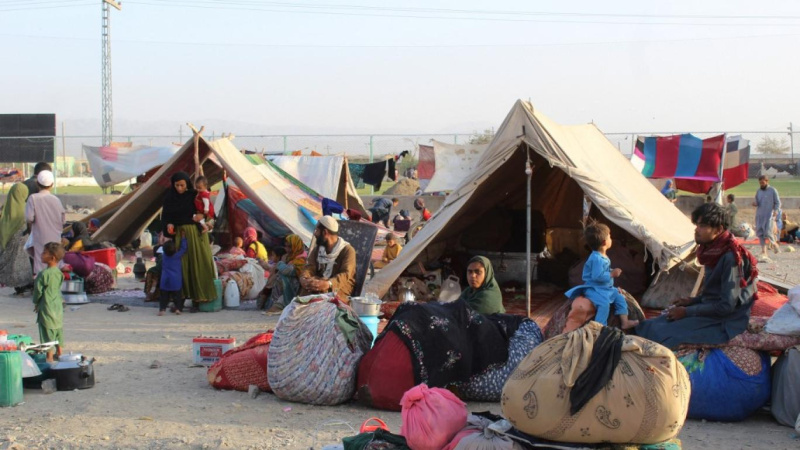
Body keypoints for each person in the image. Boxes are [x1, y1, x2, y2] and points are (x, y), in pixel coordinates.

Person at [635, 203, 758, 349]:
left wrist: (687, 311)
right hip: (712, 311)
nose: (696, 230)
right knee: (651, 324)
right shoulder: (712, 251)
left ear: (718, 230)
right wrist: (692, 301)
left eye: (702, 226)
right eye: (697, 225)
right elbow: (714, 293)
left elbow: (727, 306)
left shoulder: (731, 258)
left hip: (726, 320)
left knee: (662, 333)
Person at [562, 222, 639, 332]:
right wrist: (612, 274)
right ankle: (599, 327)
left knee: (620, 298)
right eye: (610, 237)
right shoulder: (596, 258)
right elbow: (597, 276)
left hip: (605, 288)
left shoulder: (602, 256)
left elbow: (603, 271)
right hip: (595, 289)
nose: (611, 239)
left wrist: (611, 271)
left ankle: (625, 321)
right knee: (604, 304)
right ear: (604, 242)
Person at [161, 171, 217, 309]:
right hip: (180, 236)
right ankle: (180, 299)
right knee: (182, 267)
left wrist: (204, 218)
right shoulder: (169, 198)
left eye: (182, 185)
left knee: (198, 264)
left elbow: (209, 211)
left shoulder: (195, 195)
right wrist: (169, 225)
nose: (179, 188)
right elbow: (166, 217)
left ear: (187, 184)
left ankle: (199, 299)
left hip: (197, 235)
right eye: (177, 185)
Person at [300, 216, 357, 298]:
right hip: (319, 283)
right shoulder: (318, 249)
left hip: (340, 287)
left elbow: (345, 274)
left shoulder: (348, 250)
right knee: (305, 292)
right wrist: (304, 278)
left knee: (323, 297)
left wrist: (328, 284)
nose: (315, 234)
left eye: (317, 230)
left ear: (324, 232)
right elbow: (310, 267)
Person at [25, 170, 65, 276]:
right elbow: (63, 220)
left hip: (40, 235)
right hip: (55, 236)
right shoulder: (56, 200)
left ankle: (41, 282)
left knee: (41, 260)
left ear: (37, 183)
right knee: (54, 259)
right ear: (52, 185)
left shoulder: (33, 198)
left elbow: (29, 218)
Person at [32, 242, 65, 362]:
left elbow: (38, 292)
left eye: (44, 253)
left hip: (46, 306)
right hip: (57, 305)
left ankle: (49, 358)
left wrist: (36, 303)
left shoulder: (43, 274)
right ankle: (60, 353)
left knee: (47, 332)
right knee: (57, 329)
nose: (41, 254)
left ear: (53, 257)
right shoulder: (59, 273)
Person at [0, 183, 33, 293]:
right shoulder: (26, 208)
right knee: (21, 261)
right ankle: (22, 284)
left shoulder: (6, 207)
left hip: (8, 239)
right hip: (22, 239)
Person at [265, 235, 307, 310]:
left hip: (297, 290)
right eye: (286, 246)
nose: (287, 249)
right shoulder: (289, 257)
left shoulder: (301, 260)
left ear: (296, 246)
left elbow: (288, 271)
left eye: (290, 247)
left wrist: (280, 263)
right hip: (285, 290)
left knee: (282, 277)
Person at [158, 232, 188, 316]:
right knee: (177, 296)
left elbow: (166, 248)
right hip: (176, 280)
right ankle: (178, 309)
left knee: (164, 297)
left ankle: (162, 310)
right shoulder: (177, 256)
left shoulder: (164, 256)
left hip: (165, 280)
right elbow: (184, 248)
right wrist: (183, 238)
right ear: (175, 249)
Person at [752, 175, 781, 260]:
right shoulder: (758, 191)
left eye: (763, 182)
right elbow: (757, 201)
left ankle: (775, 244)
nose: (761, 184)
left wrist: (776, 210)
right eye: (760, 183)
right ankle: (764, 251)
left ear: (767, 181)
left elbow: (778, 202)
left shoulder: (773, 190)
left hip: (769, 215)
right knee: (760, 233)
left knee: (768, 232)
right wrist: (755, 203)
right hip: (760, 215)